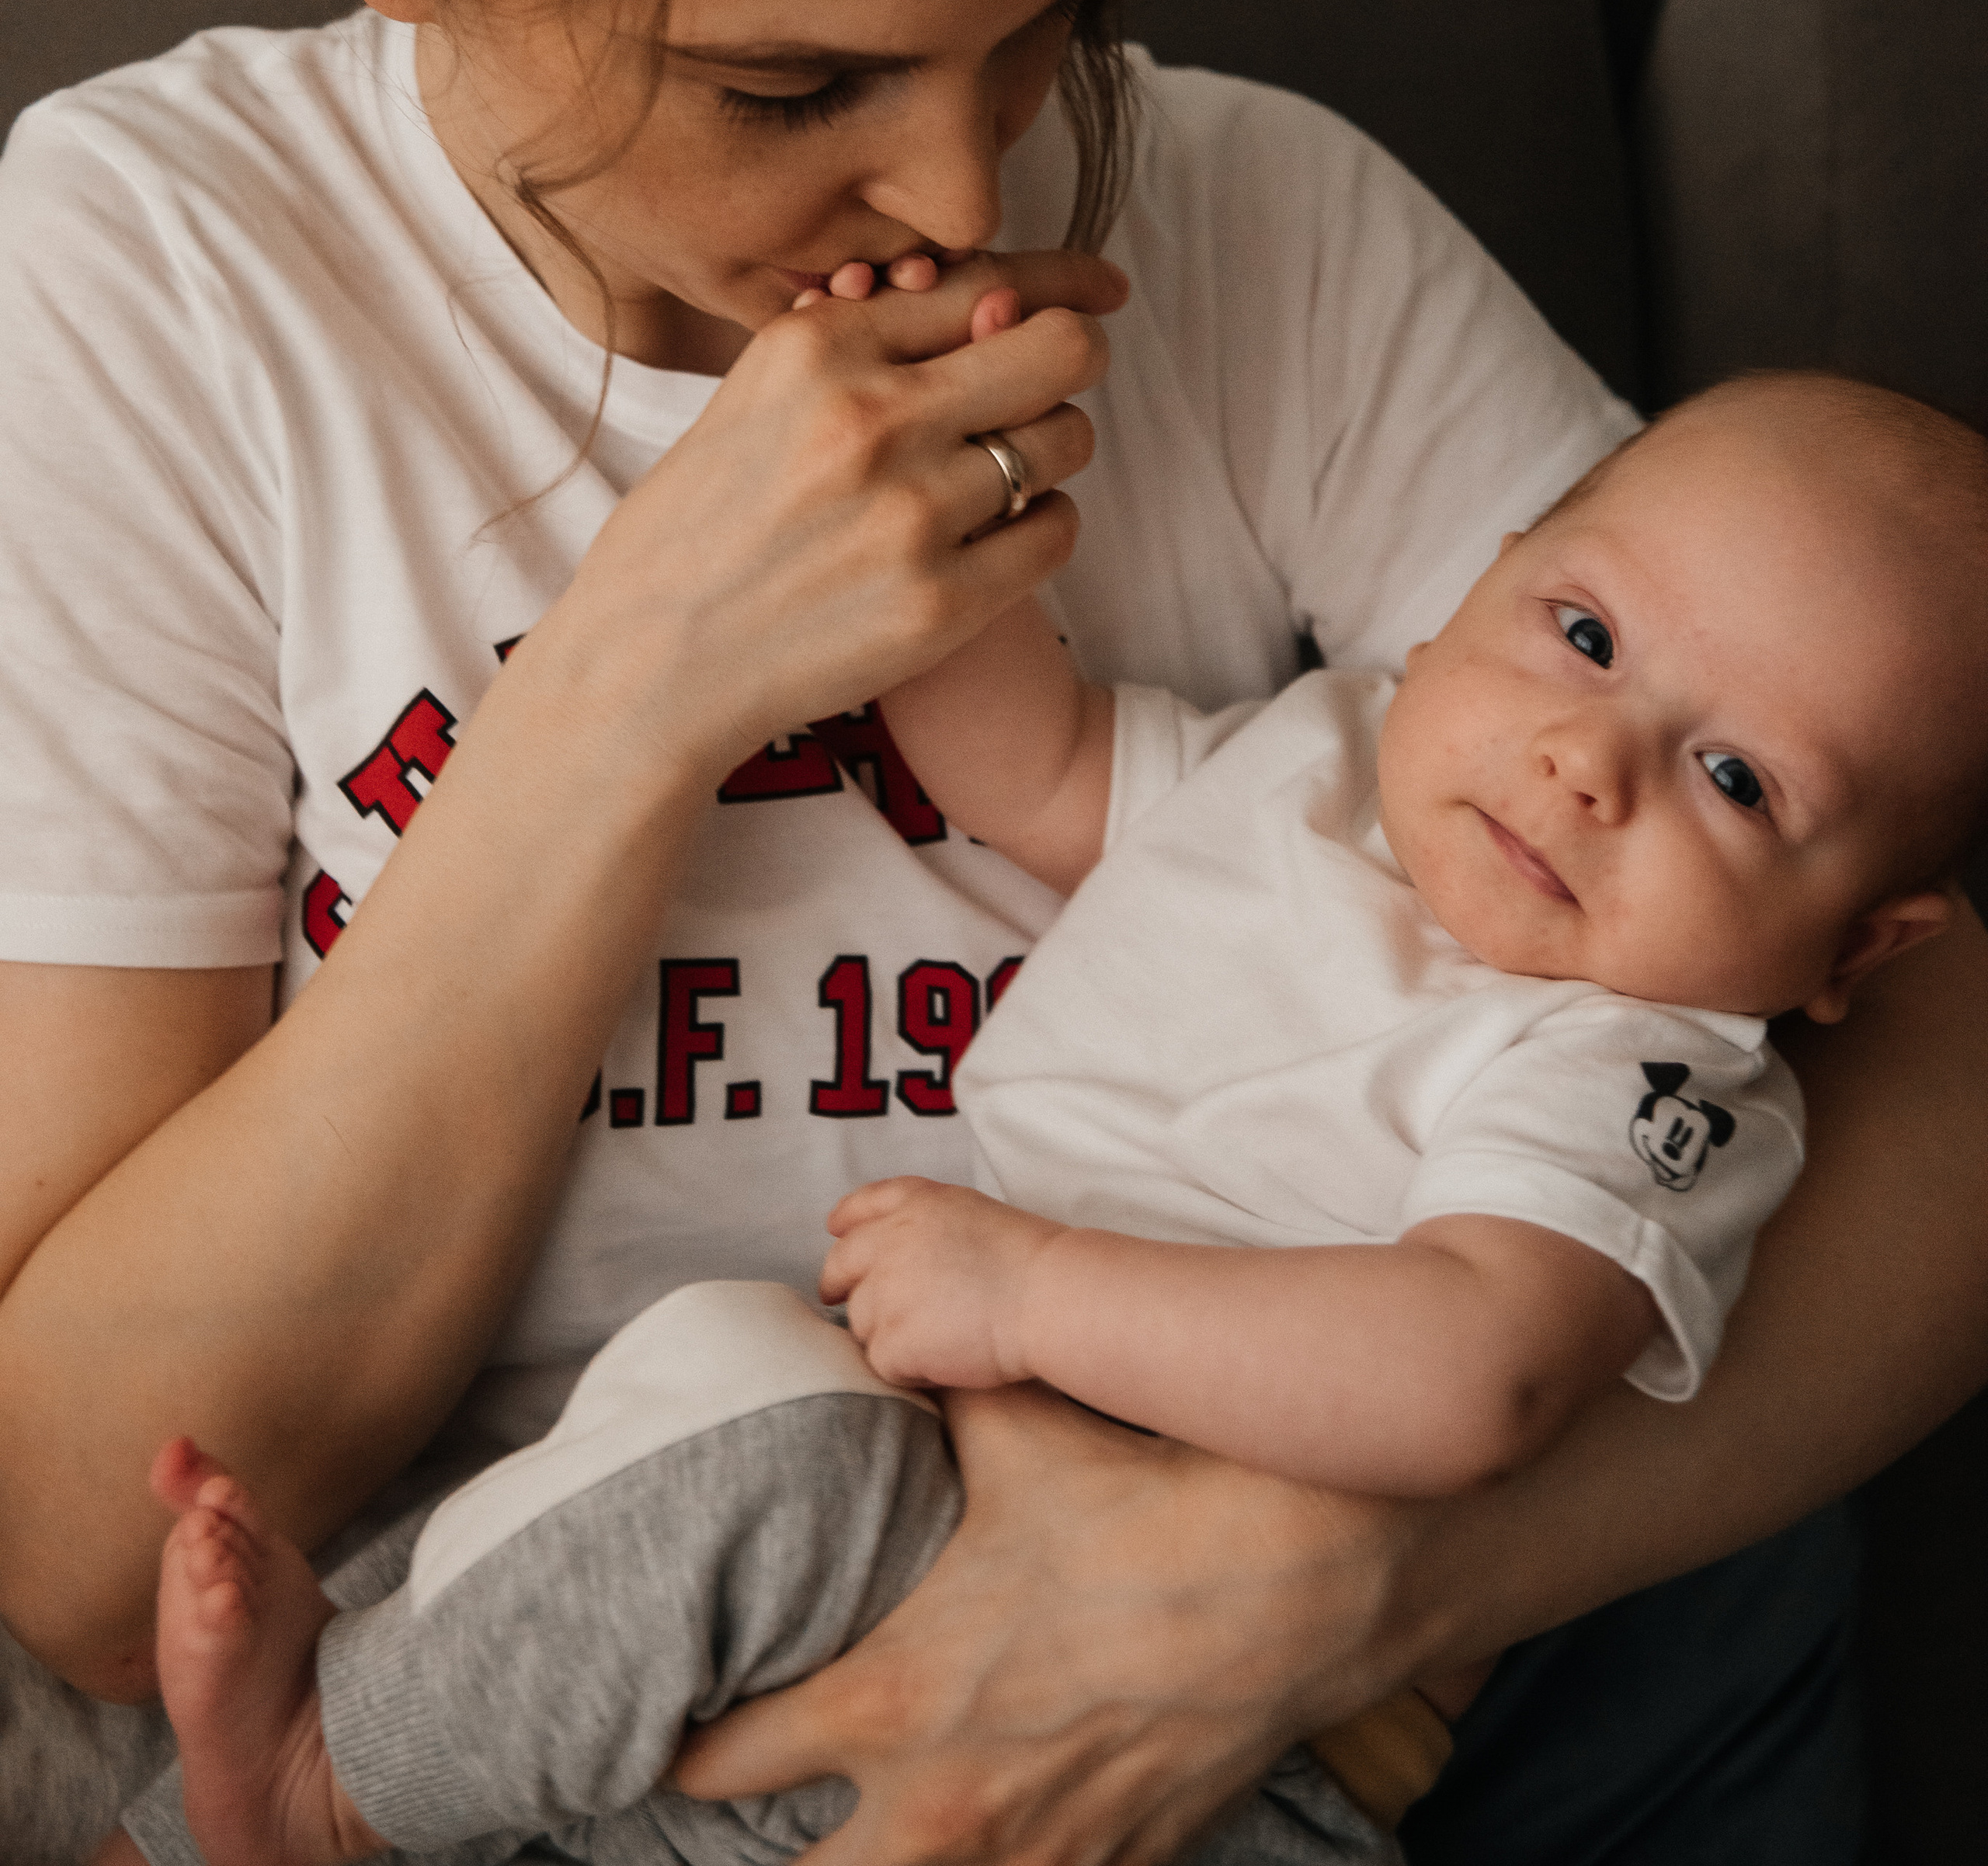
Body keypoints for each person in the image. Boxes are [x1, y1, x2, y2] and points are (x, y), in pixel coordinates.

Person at [0, 0, 1980, 1866]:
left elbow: (1923, 1050)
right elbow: (104, 1539)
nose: (971, 198)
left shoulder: (1256, 215)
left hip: (1303, 1643)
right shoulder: (168, 274)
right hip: (555, 1656)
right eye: (790, 87)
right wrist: (643, 682)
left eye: (1048, 18)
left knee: (1735, 1545)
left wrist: (1299, 1600)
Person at [125, 370, 1986, 1866]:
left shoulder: (1635, 1068)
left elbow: (1468, 1375)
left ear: (1857, 949)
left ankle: (319, 1798)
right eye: (1578, 635)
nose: (1590, 761)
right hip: (905, 1527)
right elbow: (1036, 762)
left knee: (759, 1439)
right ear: (1478, 581)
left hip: (1220, 1750)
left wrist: (1031, 1299)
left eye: (1734, 779)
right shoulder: (1322, 761)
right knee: (664, 1407)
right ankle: (351, 1709)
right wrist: (914, 517)